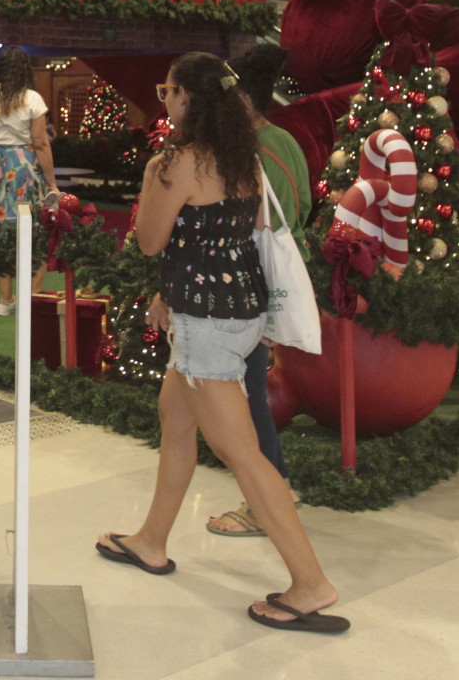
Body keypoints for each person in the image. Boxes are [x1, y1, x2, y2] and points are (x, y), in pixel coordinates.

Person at [95, 52, 347, 634]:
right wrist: (171, 292)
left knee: (244, 456)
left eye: (167, 90)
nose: (164, 99)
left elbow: (150, 241)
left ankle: (310, 583)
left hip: (206, 326)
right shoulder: (243, 158)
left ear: (186, 97)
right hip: (240, 315)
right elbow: (234, 236)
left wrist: (154, 181)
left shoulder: (175, 164)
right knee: (176, 419)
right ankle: (151, 540)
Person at [206, 42, 308, 537]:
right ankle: (272, 493)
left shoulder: (246, 151)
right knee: (246, 392)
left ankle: (268, 501)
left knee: (248, 397)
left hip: (252, 284)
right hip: (283, 277)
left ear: (243, 98)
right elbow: (301, 206)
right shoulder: (287, 141)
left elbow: (247, 225)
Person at [0, 46, 59, 315]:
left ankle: (5, 300)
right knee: (36, 231)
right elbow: (40, 143)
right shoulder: (33, 99)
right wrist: (52, 184)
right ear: (25, 70)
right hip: (24, 168)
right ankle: (31, 298)